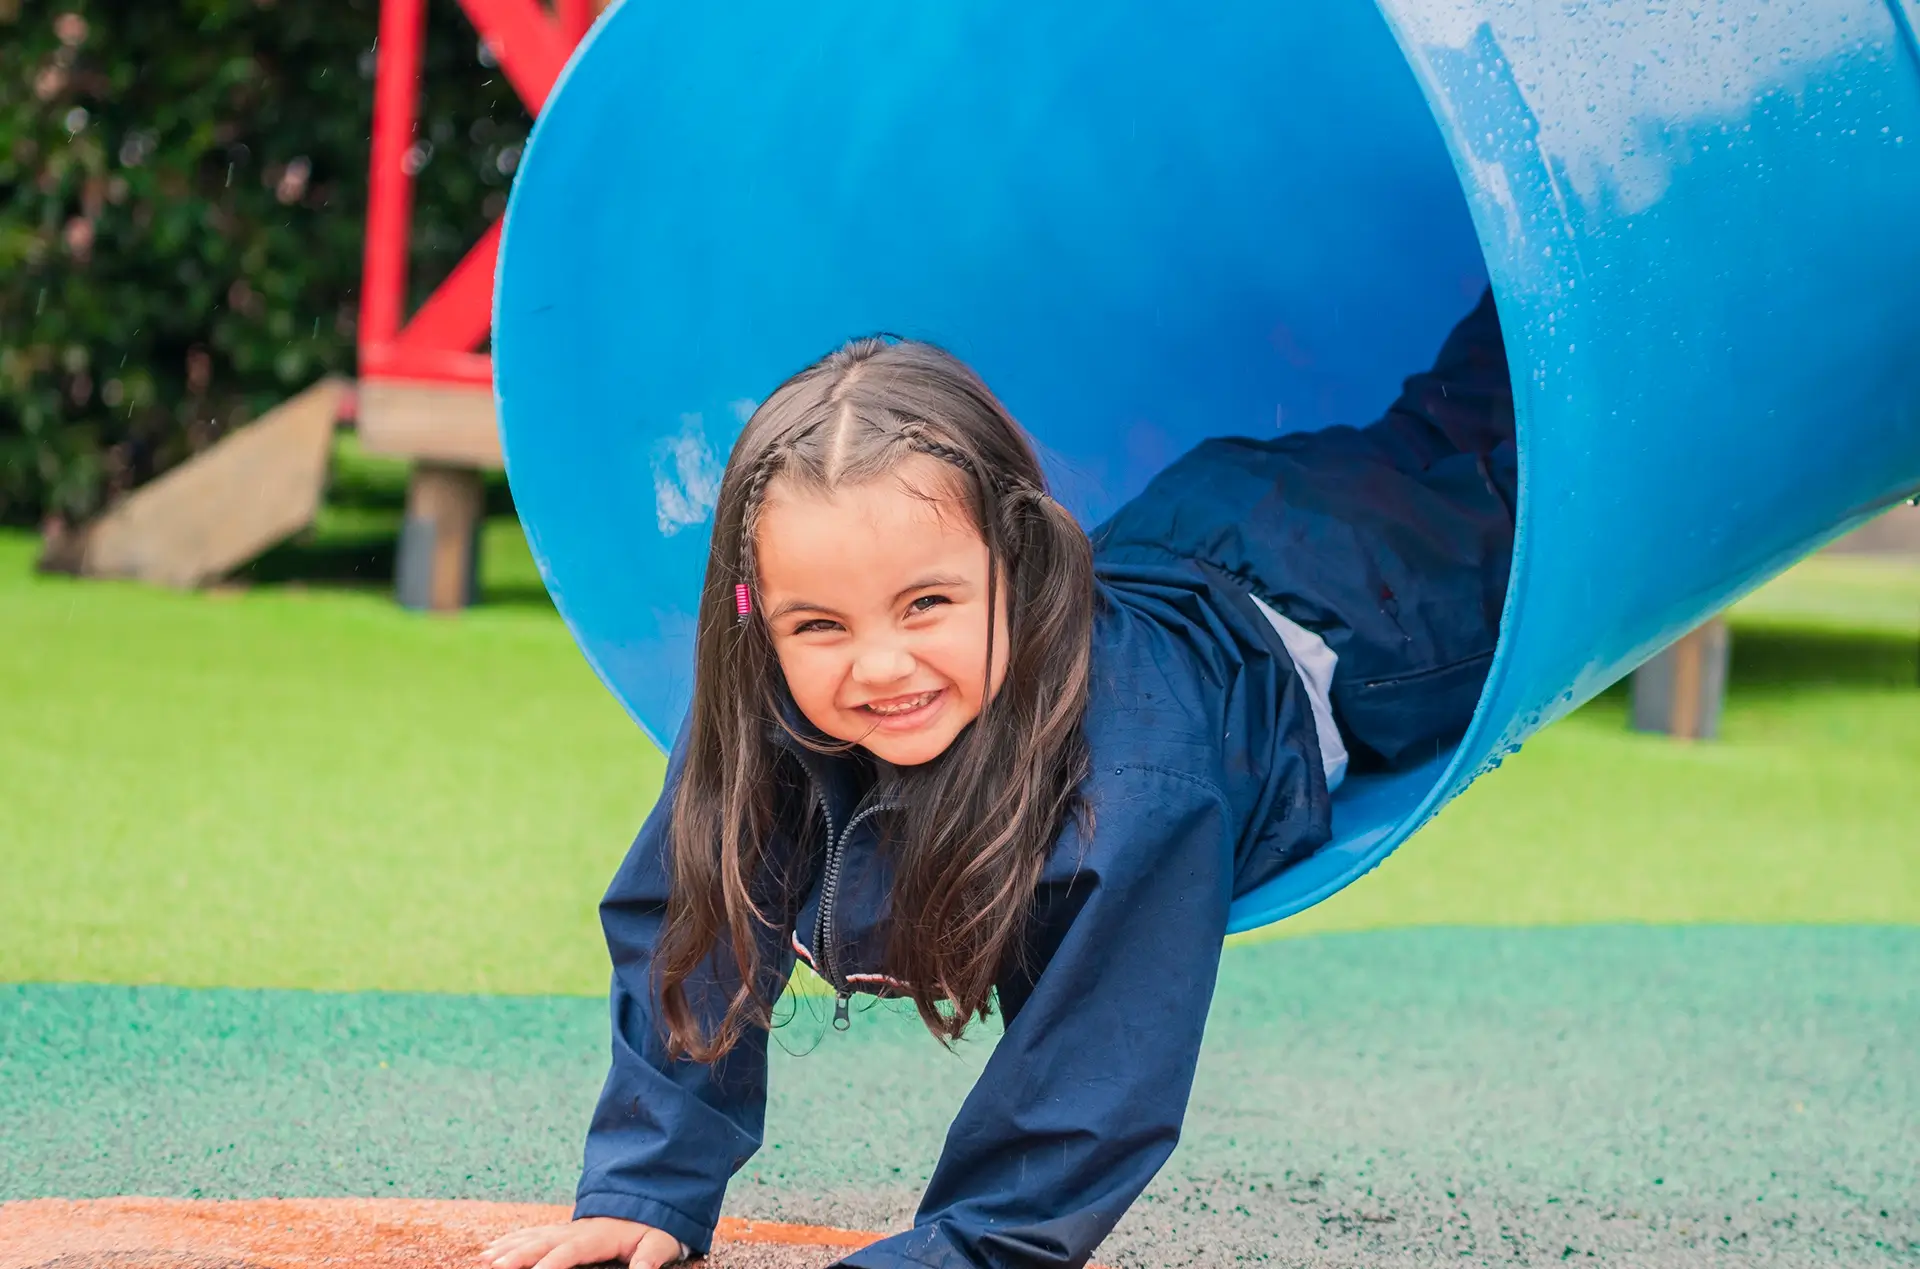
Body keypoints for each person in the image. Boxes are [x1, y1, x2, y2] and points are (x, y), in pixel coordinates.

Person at [480, 291, 1517, 1269]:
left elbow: (1092, 1084)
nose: (879, 666)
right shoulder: (764, 709)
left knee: (1521, 460)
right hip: (1190, 526)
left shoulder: (1132, 787)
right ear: (757, 614)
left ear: (1016, 568)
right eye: (821, 624)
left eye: (926, 602)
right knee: (1444, 411)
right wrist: (642, 1186)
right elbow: (691, 921)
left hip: (1354, 607)